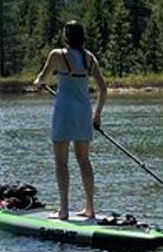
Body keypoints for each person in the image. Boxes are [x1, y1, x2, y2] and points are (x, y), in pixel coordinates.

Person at [32, 20, 108, 220]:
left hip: (64, 112)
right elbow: (103, 88)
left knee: (61, 162)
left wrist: (38, 82)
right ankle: (90, 208)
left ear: (66, 37)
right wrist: (97, 114)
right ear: (82, 37)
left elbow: (43, 77)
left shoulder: (57, 55)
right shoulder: (89, 57)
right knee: (84, 160)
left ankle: (64, 210)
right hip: (84, 112)